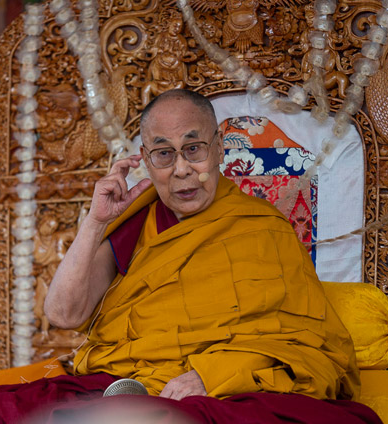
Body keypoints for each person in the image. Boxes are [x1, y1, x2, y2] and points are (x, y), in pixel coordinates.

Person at [43, 87, 361, 401]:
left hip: (218, 390)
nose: (181, 170)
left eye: (194, 149)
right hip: (125, 385)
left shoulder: (263, 230)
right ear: (146, 160)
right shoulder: (136, 224)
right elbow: (64, 315)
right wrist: (96, 222)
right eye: (164, 154)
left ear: (219, 148)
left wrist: (211, 374)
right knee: (1, 409)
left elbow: (309, 345)